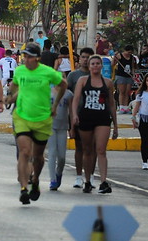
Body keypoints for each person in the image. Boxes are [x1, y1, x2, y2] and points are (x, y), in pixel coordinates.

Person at [6, 42, 66, 205]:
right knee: (24, 152)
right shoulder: (20, 71)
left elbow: (63, 85)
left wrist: (54, 107)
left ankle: (36, 180)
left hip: (42, 119)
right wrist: (10, 96)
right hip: (22, 117)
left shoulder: (48, 72)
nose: (26, 59)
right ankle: (24, 188)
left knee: (38, 157)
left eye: (29, 56)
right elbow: (15, 84)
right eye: (24, 56)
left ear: (37, 58)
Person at [71, 55, 117, 194]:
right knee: (87, 150)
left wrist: (115, 124)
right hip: (86, 117)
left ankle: (103, 181)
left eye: (98, 63)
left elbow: (112, 104)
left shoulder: (108, 83)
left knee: (101, 150)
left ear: (101, 66)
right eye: (93, 64)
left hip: (102, 118)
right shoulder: (83, 80)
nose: (95, 66)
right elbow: (76, 99)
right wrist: (74, 115)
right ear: (89, 66)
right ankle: (87, 181)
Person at [66, 47, 95, 188]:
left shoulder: (97, 76)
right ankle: (78, 176)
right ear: (80, 58)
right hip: (76, 115)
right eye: (83, 57)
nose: (85, 60)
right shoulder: (73, 76)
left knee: (92, 148)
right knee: (79, 147)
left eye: (88, 57)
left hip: (94, 115)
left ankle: (91, 176)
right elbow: (67, 96)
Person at [47, 87, 73, 191]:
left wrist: (72, 127)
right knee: (52, 152)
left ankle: (58, 173)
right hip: (50, 126)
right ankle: (53, 179)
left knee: (62, 157)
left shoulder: (68, 94)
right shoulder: (47, 91)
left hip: (63, 127)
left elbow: (71, 111)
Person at [132, 74, 148, 170]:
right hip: (144, 120)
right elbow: (137, 106)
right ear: (145, 82)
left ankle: (147, 158)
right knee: (145, 141)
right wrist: (133, 118)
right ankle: (144, 161)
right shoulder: (141, 94)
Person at [113, 45, 135, 114]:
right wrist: (115, 58)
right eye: (128, 52)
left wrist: (133, 75)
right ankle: (121, 107)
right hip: (121, 76)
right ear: (125, 51)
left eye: (131, 52)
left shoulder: (132, 57)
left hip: (129, 76)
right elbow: (112, 64)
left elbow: (133, 67)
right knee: (122, 92)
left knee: (127, 92)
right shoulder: (120, 56)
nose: (129, 54)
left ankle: (126, 107)